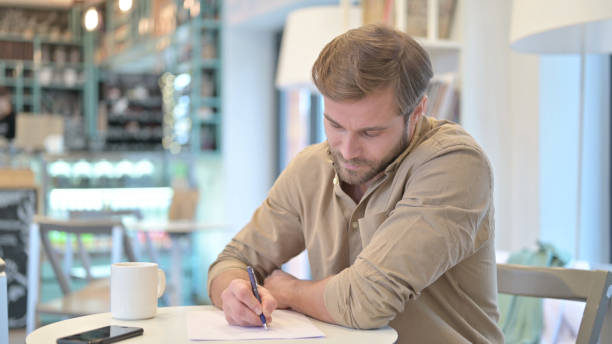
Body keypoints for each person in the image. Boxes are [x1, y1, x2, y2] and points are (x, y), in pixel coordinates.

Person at [207, 24, 503, 343]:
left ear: (417, 112)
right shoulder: (313, 166)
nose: (347, 150)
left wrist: (289, 290)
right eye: (334, 124)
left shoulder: (455, 163)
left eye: (370, 133)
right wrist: (235, 292)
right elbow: (232, 261)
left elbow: (366, 303)